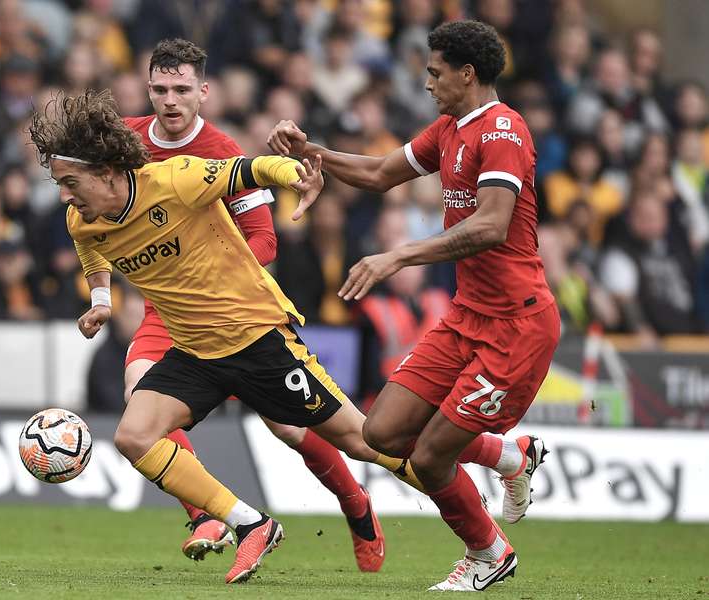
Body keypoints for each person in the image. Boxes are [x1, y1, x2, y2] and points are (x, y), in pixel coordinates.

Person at [28, 88, 427, 585]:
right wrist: (102, 300)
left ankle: (459, 496)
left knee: (361, 440)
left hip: (253, 335)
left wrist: (295, 174)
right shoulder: (81, 217)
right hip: (191, 344)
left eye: (69, 183)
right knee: (134, 434)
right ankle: (247, 523)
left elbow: (255, 171)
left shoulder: (181, 176)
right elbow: (92, 251)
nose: (64, 195)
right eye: (159, 87)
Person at [267, 20, 556, 591]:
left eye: (434, 72)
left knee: (428, 459)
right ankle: (508, 455)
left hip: (516, 325)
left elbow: (493, 225)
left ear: (465, 74)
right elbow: (378, 173)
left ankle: (488, 552)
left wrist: (398, 257)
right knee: (382, 432)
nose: (426, 83)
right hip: (467, 314)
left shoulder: (504, 131)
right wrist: (314, 153)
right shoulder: (451, 127)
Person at [119, 38, 388, 572]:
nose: (170, 101)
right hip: (166, 315)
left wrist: (207, 266)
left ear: (204, 92)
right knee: (138, 409)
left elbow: (265, 241)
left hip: (233, 314)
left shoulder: (222, 153)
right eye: (160, 89)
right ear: (147, 89)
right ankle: (209, 516)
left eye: (181, 90)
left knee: (290, 429)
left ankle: (355, 502)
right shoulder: (125, 142)